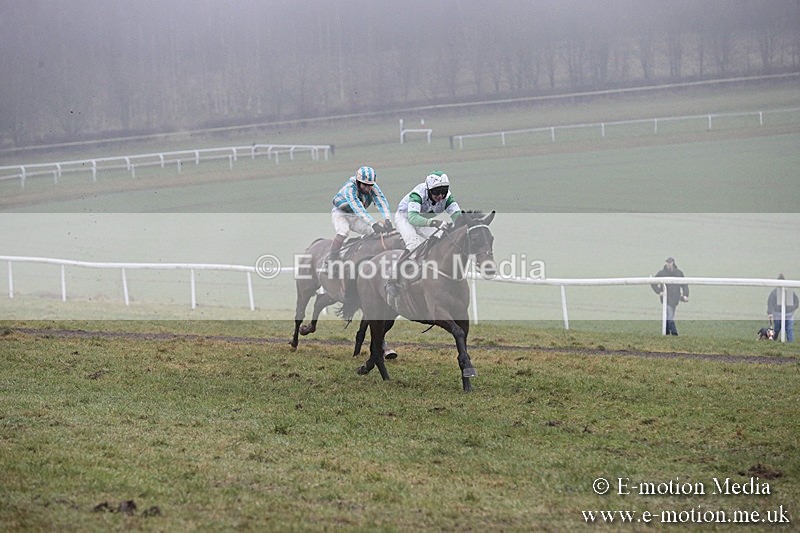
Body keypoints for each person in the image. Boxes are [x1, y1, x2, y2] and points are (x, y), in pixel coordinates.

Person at [386, 171, 461, 298]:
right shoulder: (418, 194)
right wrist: (434, 222)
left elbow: (457, 216)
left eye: (444, 191)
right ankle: (392, 278)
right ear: (429, 189)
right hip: (406, 218)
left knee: (441, 238)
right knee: (414, 244)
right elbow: (413, 218)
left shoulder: (447, 197)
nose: (441, 196)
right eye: (437, 192)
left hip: (423, 220)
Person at [328, 166, 392, 267]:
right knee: (343, 232)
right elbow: (359, 209)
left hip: (355, 215)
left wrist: (387, 219)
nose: (367, 188)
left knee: (372, 232)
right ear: (358, 182)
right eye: (364, 185)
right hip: (341, 213)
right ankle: (330, 260)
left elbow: (381, 201)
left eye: (370, 185)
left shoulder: (373, 188)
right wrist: (373, 223)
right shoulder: (350, 188)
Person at [650, 257, 689, 336]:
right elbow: (653, 283)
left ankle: (667, 332)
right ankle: (674, 333)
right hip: (666, 298)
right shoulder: (661, 273)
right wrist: (659, 291)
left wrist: (686, 294)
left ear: (673, 263)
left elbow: (684, 284)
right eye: (667, 262)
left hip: (675, 299)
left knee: (669, 316)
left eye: (670, 262)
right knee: (670, 316)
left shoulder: (679, 273)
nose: (668, 264)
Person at [767, 274, 798, 342]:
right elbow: (770, 302)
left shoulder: (788, 292)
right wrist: (769, 312)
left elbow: (796, 301)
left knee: (788, 329)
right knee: (779, 329)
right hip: (780, 314)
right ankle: (774, 341)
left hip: (787, 314)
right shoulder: (775, 292)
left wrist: (792, 308)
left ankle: (790, 345)